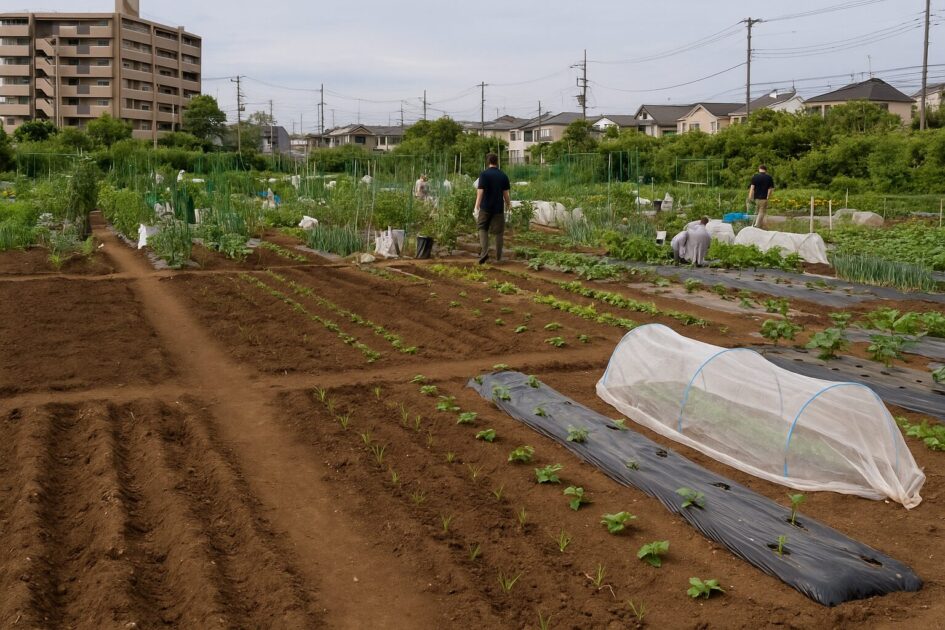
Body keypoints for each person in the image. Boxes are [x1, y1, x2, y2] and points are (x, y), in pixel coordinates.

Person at [474, 153, 510, 264]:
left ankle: (484, 253)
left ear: (488, 162)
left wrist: (477, 205)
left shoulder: (484, 175)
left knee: (482, 228)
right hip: (498, 208)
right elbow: (505, 193)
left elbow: (480, 192)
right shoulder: (503, 175)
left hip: (485, 207)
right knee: (499, 232)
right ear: (497, 162)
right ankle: (499, 257)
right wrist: (509, 204)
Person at [748, 164, 775, 229]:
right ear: (766, 170)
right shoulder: (769, 177)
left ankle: (753, 224)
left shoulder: (755, 177)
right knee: (761, 212)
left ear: (759, 169)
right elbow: (771, 189)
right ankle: (756, 225)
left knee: (756, 211)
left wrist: (750, 197)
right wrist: (768, 196)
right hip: (764, 198)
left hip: (756, 198)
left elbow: (752, 188)